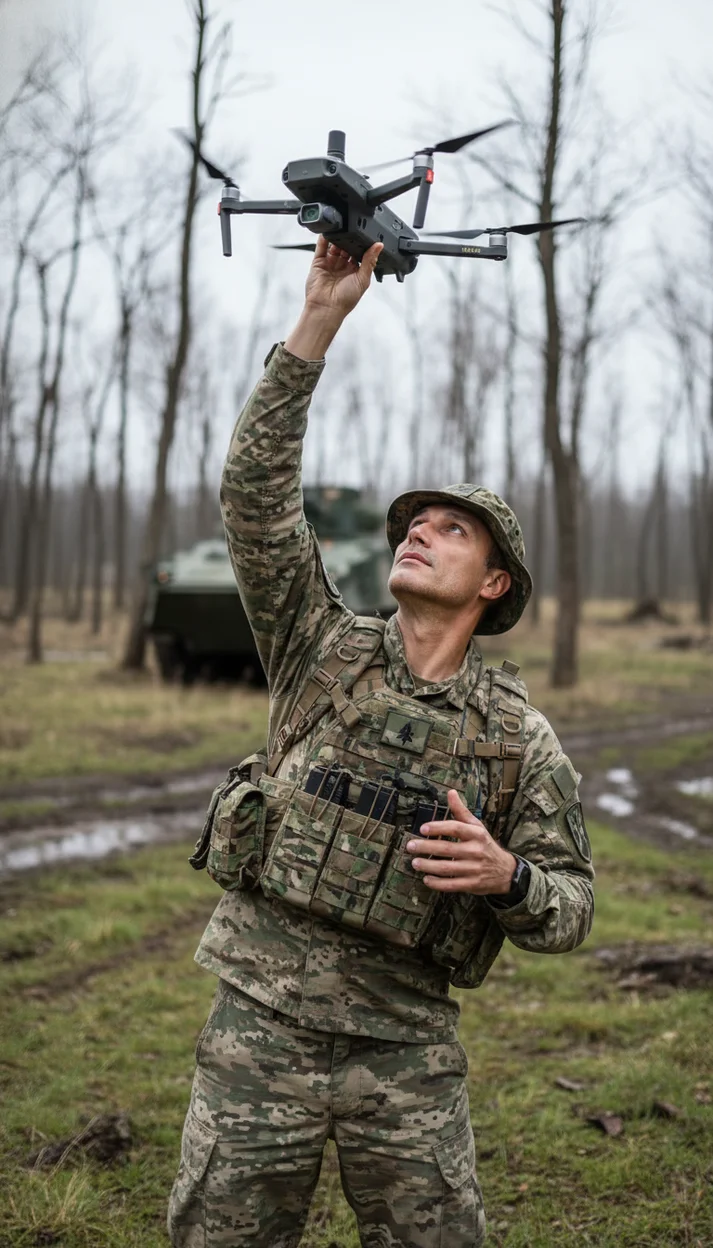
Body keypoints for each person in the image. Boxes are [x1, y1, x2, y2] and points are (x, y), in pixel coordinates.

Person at [168, 237, 594, 1248]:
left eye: (452, 529)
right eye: (416, 521)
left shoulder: (513, 739)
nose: (420, 531)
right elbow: (255, 501)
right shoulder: (317, 649)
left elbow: (570, 909)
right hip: (257, 1029)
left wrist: (505, 879)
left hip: (405, 1052)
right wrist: (318, 320)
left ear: (494, 585)